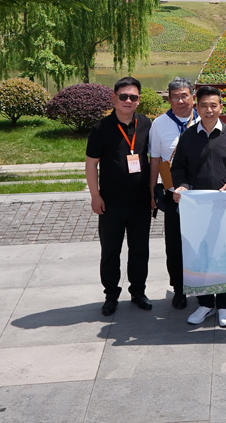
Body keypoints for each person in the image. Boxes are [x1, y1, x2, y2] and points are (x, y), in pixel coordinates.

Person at [171, 85, 226, 328]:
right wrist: (182, 186)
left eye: (213, 105)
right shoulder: (188, 136)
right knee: (201, 254)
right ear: (197, 107)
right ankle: (205, 303)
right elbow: (178, 169)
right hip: (198, 209)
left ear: (221, 107)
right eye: (204, 105)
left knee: (225, 254)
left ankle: (225, 305)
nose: (208, 110)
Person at [85, 77, 154, 317]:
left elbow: (154, 161)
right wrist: (95, 195)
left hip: (140, 202)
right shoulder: (101, 128)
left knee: (139, 251)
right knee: (110, 251)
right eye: (123, 96)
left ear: (139, 100)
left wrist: (154, 193)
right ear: (114, 98)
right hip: (111, 203)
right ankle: (111, 295)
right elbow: (91, 165)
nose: (127, 101)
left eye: (133, 97)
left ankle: (138, 292)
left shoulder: (146, 124)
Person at [147, 77, 197, 310]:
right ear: (168, 98)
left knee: (203, 243)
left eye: (184, 95)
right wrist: (151, 189)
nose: (180, 100)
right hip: (173, 194)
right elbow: (155, 159)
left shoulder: (204, 118)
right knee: (175, 245)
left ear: (193, 97)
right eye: (175, 96)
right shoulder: (159, 124)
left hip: (201, 195)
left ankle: (205, 286)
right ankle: (179, 288)